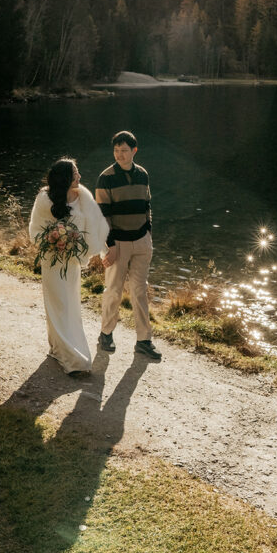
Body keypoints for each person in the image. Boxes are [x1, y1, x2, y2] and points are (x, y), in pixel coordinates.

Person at [29, 157, 109, 375]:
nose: (79, 177)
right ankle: (74, 360)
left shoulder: (83, 196)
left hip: (72, 262)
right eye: (75, 174)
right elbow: (36, 230)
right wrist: (52, 240)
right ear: (64, 178)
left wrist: (103, 249)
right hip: (52, 261)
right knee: (58, 305)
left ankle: (58, 349)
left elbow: (95, 223)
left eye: (78, 173)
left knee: (71, 307)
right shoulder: (44, 199)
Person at [95, 131, 161, 361]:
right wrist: (110, 245)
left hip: (142, 241)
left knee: (140, 291)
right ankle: (106, 334)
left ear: (134, 151)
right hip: (118, 243)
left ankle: (144, 340)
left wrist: (148, 233)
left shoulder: (142, 174)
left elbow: (147, 205)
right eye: (116, 150)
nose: (119, 155)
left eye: (124, 150)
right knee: (113, 291)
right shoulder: (106, 177)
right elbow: (102, 215)